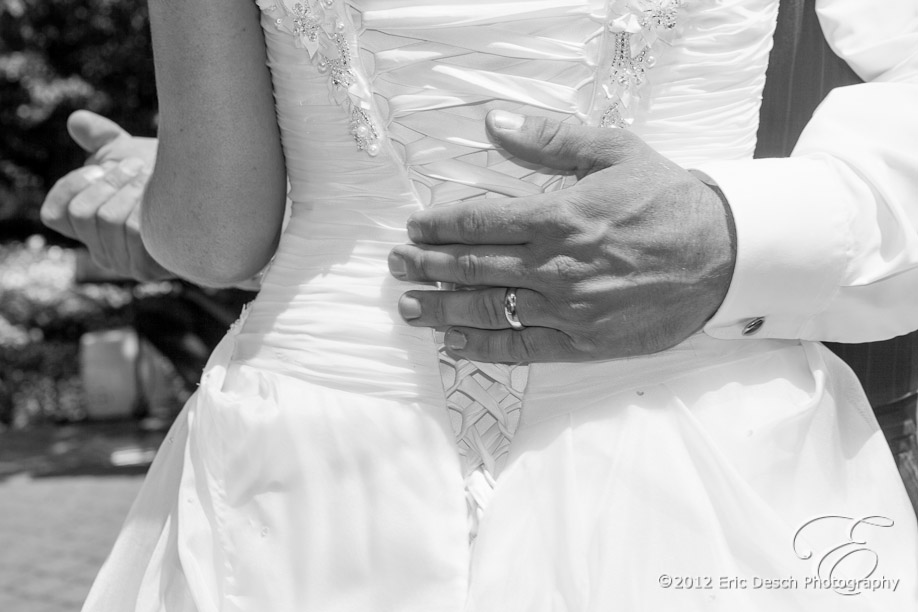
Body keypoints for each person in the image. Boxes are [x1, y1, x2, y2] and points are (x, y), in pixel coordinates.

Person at [44, 0, 918, 610]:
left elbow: (211, 233)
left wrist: (153, 199)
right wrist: (748, 235)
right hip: (695, 440)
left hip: (318, 459)